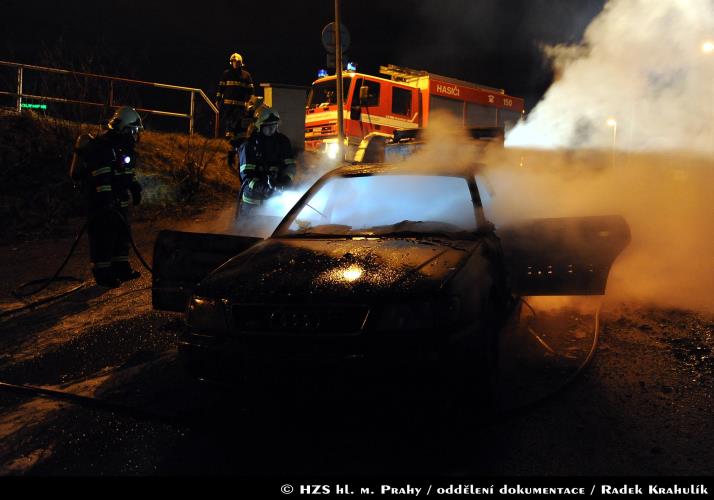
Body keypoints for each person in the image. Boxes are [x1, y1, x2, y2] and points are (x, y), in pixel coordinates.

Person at [69, 106, 143, 287]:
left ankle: (121, 268)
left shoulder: (123, 147)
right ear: (125, 129)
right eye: (134, 130)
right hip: (101, 203)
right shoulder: (103, 146)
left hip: (117, 200)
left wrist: (134, 186)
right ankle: (102, 273)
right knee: (104, 236)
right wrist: (107, 200)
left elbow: (126, 172)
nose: (136, 135)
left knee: (122, 234)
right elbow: (101, 176)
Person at [237, 108, 296, 216]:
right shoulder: (249, 146)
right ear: (259, 126)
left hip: (277, 203)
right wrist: (264, 188)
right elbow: (246, 177)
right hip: (253, 204)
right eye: (268, 126)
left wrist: (286, 181)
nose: (272, 129)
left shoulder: (283, 142)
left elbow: (290, 165)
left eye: (274, 125)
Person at [216, 53, 255, 140]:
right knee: (228, 127)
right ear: (231, 62)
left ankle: (238, 144)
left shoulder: (246, 75)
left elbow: (251, 91)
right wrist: (217, 100)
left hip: (240, 106)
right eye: (234, 61)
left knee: (239, 127)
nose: (235, 63)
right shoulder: (226, 74)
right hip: (228, 106)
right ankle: (228, 144)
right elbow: (220, 88)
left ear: (241, 63)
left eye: (237, 62)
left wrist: (251, 102)